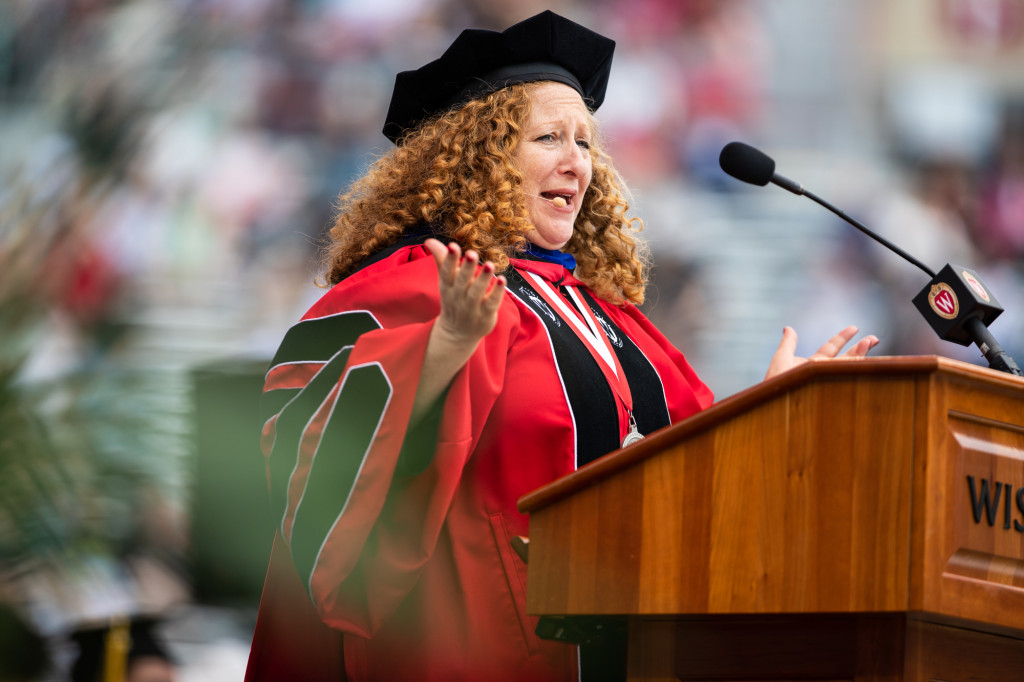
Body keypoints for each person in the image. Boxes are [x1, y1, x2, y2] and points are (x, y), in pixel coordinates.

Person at [244, 11, 878, 682]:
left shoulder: (607, 315)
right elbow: (309, 463)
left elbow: (681, 467)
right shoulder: (414, 284)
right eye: (549, 137)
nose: (578, 162)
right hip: (472, 652)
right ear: (476, 156)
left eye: (586, 141)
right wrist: (445, 346)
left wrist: (769, 412)